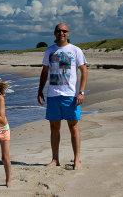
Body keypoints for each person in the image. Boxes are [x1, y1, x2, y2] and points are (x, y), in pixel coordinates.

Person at [37, 23, 88, 170]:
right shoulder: (49, 51)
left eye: (64, 31)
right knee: (54, 128)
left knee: (74, 127)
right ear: (54, 33)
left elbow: (84, 71)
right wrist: (40, 90)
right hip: (53, 95)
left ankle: (77, 159)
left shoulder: (75, 50)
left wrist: (81, 92)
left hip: (71, 95)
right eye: (59, 31)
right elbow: (44, 72)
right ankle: (55, 159)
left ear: (68, 33)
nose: (61, 33)